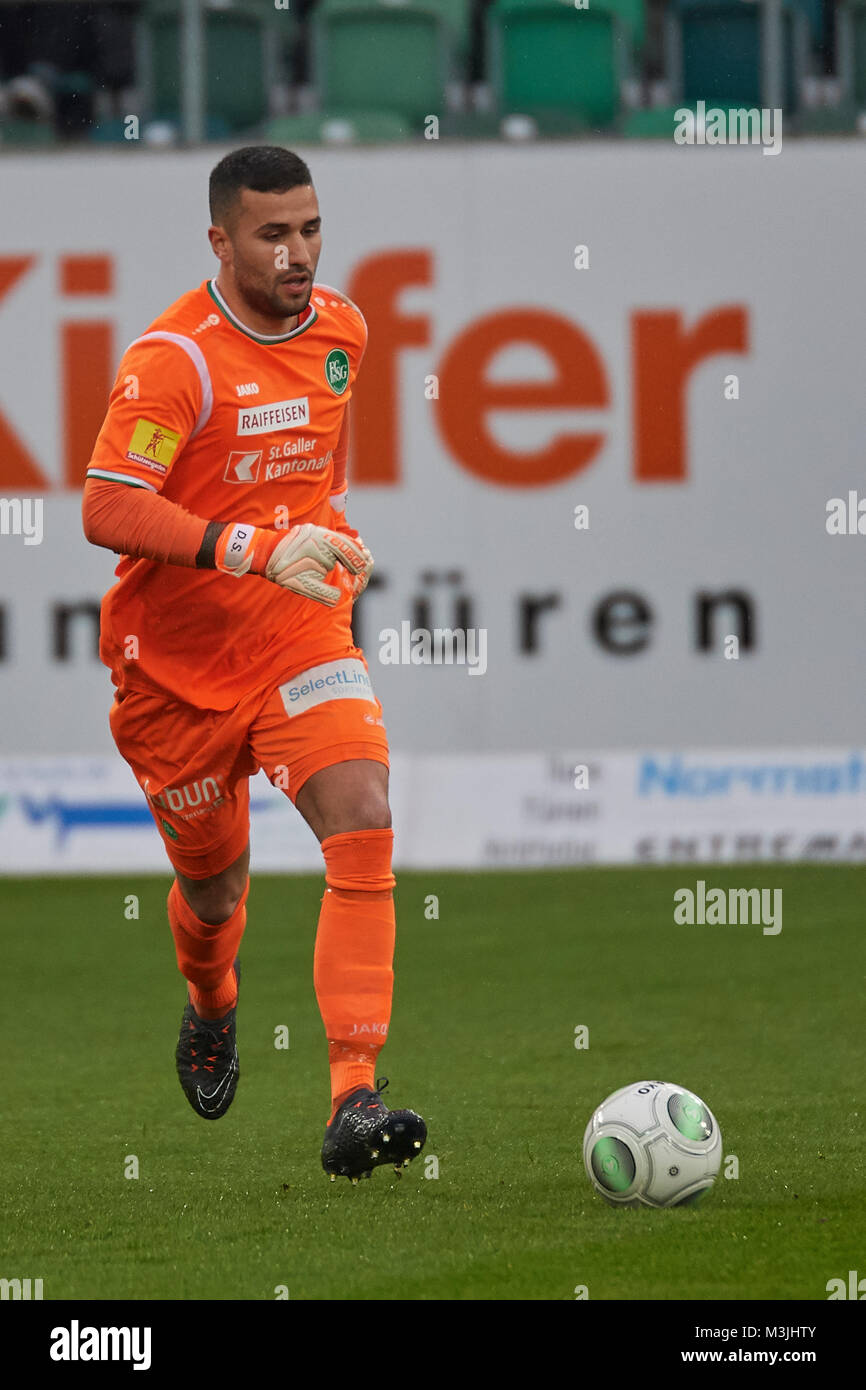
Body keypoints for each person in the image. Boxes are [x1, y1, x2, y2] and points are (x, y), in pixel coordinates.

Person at [82, 144, 426, 1183]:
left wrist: (321, 535)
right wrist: (251, 545)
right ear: (219, 240)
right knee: (216, 890)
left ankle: (352, 1097)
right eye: (272, 233)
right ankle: (211, 1005)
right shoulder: (173, 360)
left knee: (361, 810)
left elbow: (311, 471)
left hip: (293, 633)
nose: (298, 253)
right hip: (173, 674)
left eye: (310, 227)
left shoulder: (343, 331)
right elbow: (106, 506)